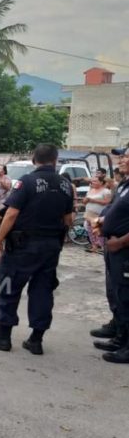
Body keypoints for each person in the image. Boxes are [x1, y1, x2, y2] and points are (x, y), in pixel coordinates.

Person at [0, 144, 74, 355]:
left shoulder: (27, 182)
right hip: (51, 247)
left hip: (23, 246)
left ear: (34, 160)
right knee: (43, 290)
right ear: (55, 160)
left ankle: (3, 337)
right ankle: (36, 340)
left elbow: (11, 214)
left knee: (9, 286)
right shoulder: (66, 185)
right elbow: (69, 218)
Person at [91, 146, 129, 363]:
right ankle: (120, 334)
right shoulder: (125, 184)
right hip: (114, 245)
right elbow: (115, 209)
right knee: (116, 293)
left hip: (123, 248)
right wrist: (103, 222)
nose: (120, 160)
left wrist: (122, 241)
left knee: (126, 296)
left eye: (125, 156)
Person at [83, 176, 111, 253]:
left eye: (95, 181)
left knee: (99, 230)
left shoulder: (106, 191)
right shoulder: (90, 191)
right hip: (89, 213)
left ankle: (102, 246)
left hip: (99, 214)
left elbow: (107, 202)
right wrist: (85, 200)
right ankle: (94, 246)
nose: (93, 182)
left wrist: (93, 200)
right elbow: (84, 201)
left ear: (101, 182)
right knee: (90, 230)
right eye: (92, 181)